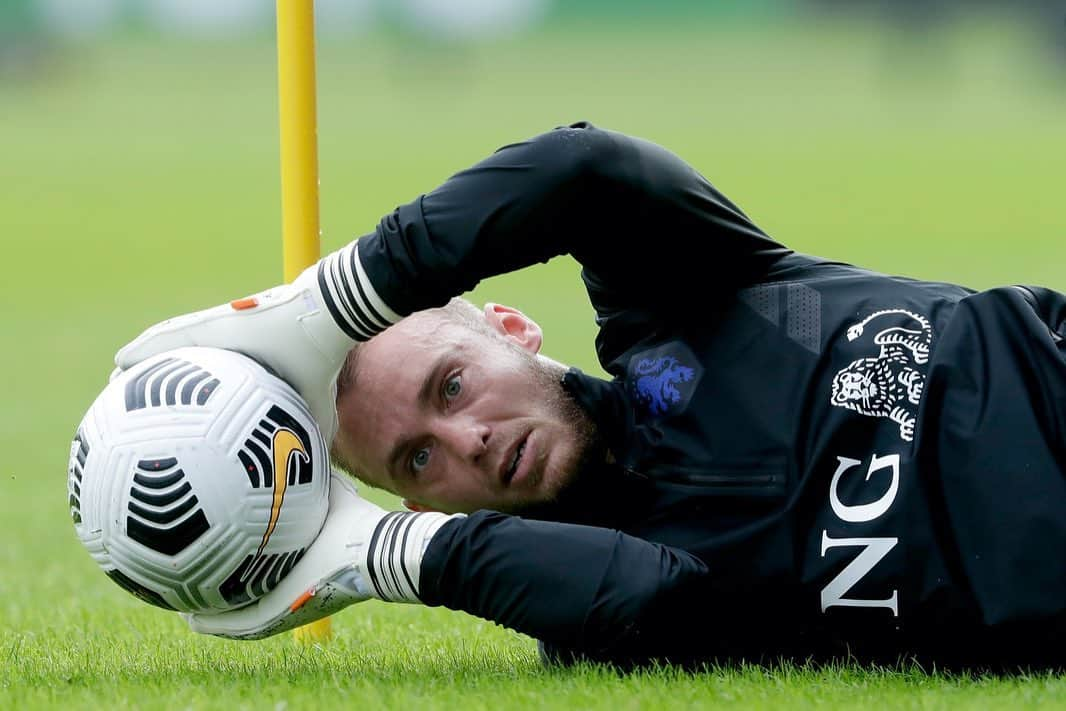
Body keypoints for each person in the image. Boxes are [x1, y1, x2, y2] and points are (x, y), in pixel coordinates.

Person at [115, 122, 1065, 668]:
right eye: (417, 457)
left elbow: (586, 172)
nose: (468, 437)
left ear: (510, 328)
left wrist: (335, 303)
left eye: (451, 385)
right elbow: (661, 604)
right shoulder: (589, 587)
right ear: (416, 505)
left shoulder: (684, 317)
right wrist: (382, 554)